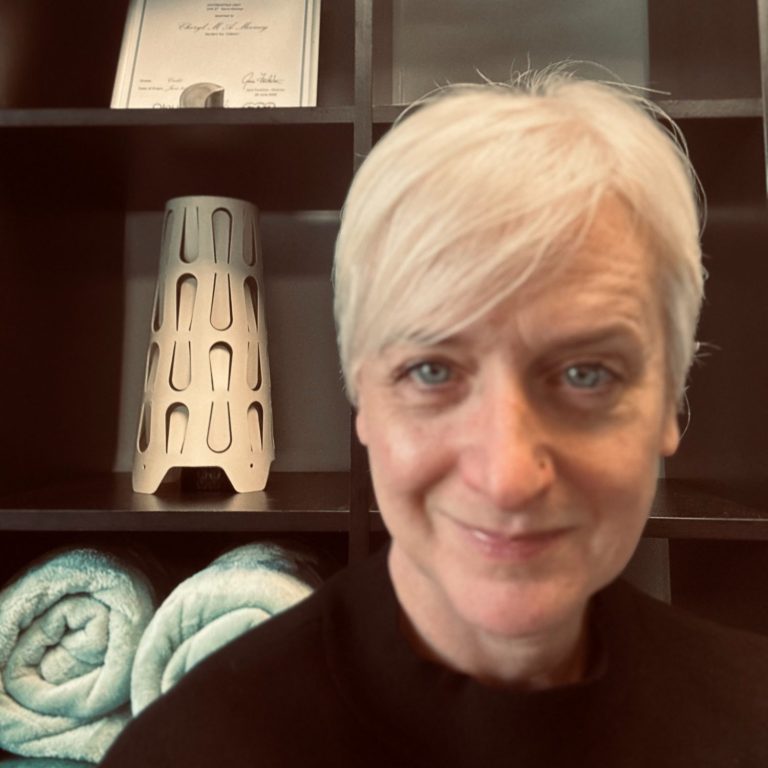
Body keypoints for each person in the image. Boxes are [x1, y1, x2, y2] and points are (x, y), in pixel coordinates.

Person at [101, 67, 768, 767]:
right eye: (432, 372)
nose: (508, 477)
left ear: (670, 399)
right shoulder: (191, 751)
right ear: (362, 395)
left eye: (585, 375)